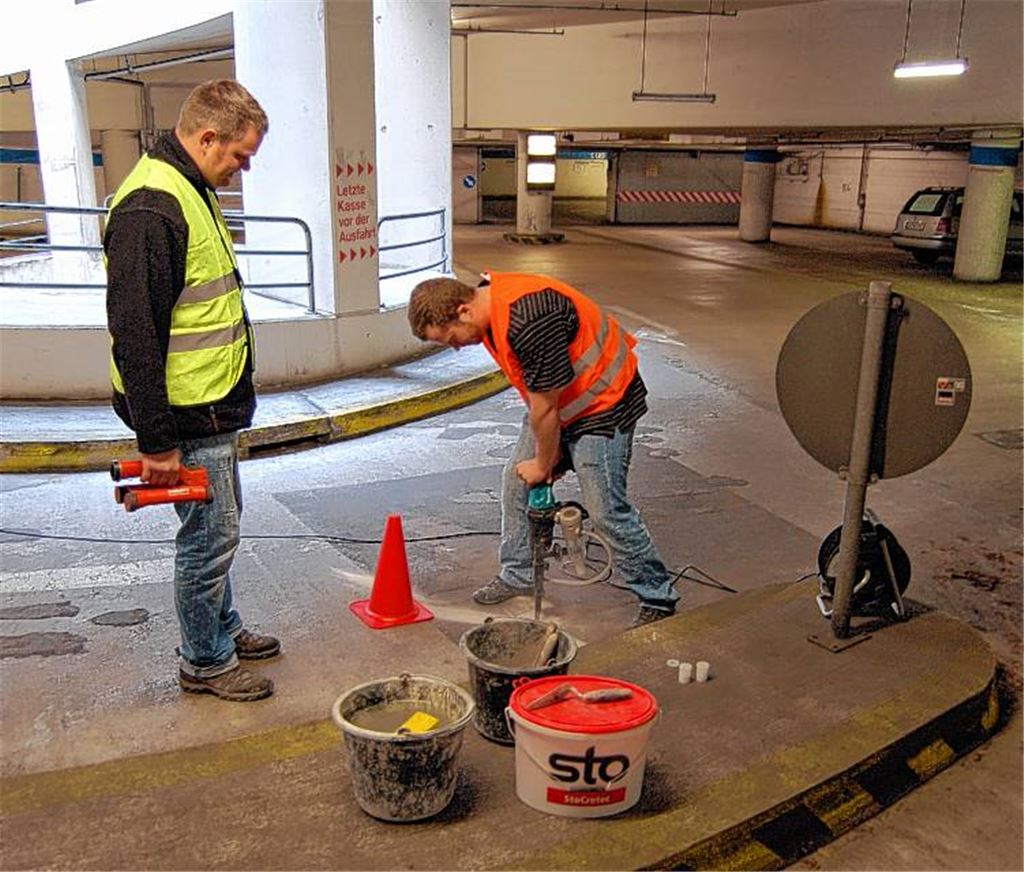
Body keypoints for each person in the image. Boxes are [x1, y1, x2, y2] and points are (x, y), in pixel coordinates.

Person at [105, 80, 279, 701]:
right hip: (186, 415)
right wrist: (155, 441)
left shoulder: (189, 187)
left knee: (217, 529)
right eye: (239, 155)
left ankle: (222, 629)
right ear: (207, 138)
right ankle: (205, 661)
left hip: (211, 406)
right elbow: (135, 333)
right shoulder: (153, 207)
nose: (243, 168)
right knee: (208, 539)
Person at [408, 272, 680, 628]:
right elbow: (544, 405)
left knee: (605, 509)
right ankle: (518, 573)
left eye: (450, 339)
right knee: (515, 482)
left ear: (462, 311)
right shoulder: (488, 306)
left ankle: (657, 596)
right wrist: (541, 461)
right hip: (563, 403)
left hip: (603, 402)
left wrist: (543, 463)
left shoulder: (528, 319)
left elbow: (547, 410)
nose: (456, 347)